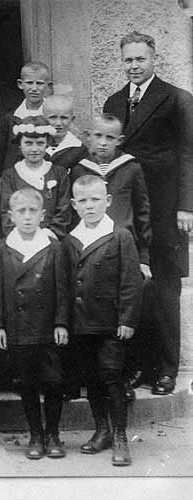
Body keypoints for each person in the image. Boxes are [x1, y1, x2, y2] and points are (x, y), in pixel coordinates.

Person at [102, 31, 193, 395]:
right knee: (133, 290)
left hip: (167, 210)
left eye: (140, 59)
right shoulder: (114, 100)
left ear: (154, 59)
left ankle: (167, 369)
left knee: (166, 289)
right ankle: (139, 366)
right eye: (128, 60)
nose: (134, 66)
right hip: (130, 213)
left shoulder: (176, 99)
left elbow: (189, 154)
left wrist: (188, 205)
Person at [70, 113, 151, 400]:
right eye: (97, 136)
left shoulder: (130, 168)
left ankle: (125, 376)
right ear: (87, 136)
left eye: (109, 137)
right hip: (92, 250)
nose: (102, 143)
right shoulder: (79, 170)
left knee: (126, 311)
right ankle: (86, 379)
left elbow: (142, 213)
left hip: (123, 249)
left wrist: (144, 257)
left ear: (120, 140)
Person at [63, 175, 143, 466]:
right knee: (92, 378)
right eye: (83, 201)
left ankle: (121, 435)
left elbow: (131, 281)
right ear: (74, 205)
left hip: (111, 323)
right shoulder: (70, 240)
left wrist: (127, 318)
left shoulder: (120, 235)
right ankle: (102, 430)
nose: (90, 206)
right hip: (82, 324)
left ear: (107, 201)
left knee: (111, 376)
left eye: (96, 199)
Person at [0, 188, 69, 460]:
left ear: (42, 215)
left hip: (47, 326)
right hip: (17, 326)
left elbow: (62, 288)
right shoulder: (3, 247)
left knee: (53, 381)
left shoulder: (53, 246)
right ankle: (35, 434)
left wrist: (61, 322)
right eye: (20, 212)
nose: (26, 217)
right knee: (27, 382)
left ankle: (53, 434)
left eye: (32, 211)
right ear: (10, 216)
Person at [0, 116, 71, 238]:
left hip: (51, 239)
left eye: (40, 143)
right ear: (19, 144)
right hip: (20, 240)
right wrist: (20, 236)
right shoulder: (10, 176)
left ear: (47, 143)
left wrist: (49, 233)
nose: (34, 149)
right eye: (28, 143)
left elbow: (64, 209)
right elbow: (6, 211)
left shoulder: (59, 173)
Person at [0, 62, 52, 173]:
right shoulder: (10, 118)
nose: (34, 88)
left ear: (48, 85)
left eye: (40, 83)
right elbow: (3, 153)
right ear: (20, 84)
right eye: (29, 83)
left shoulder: (53, 117)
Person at [42, 95, 88, 172]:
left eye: (64, 118)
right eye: (53, 117)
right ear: (43, 118)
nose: (58, 123)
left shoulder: (80, 151)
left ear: (72, 119)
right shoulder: (34, 145)